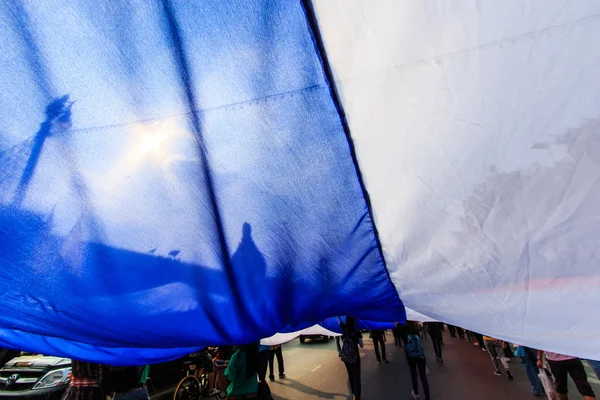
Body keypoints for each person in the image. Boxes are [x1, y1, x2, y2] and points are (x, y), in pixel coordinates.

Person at [400, 322, 430, 400]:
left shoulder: (403, 327)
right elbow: (421, 335)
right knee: (423, 376)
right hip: (420, 355)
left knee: (413, 375)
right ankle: (427, 397)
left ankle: (416, 393)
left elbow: (400, 336)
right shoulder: (417, 326)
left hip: (410, 356)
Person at [339, 316, 363, 400]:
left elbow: (338, 340)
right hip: (355, 355)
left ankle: (353, 393)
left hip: (346, 356)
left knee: (350, 375)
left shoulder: (343, 329)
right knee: (357, 376)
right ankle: (358, 396)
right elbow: (361, 345)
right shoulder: (357, 331)